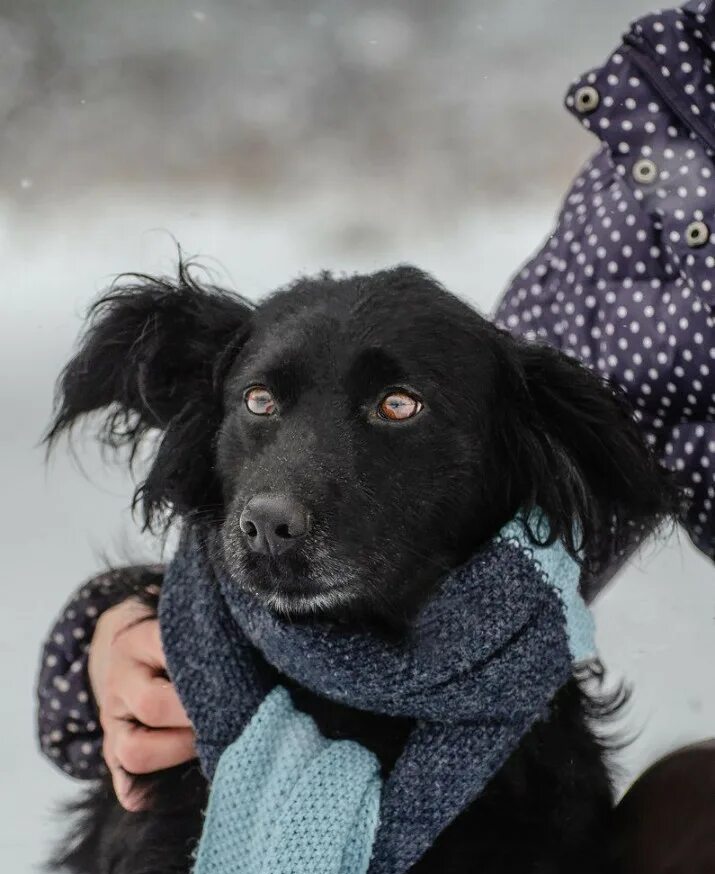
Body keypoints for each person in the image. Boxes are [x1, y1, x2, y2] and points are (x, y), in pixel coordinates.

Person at [39, 0, 715, 800]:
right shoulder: (668, 168)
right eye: (261, 402)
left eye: (393, 407)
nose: (278, 504)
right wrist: (116, 633)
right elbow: (517, 522)